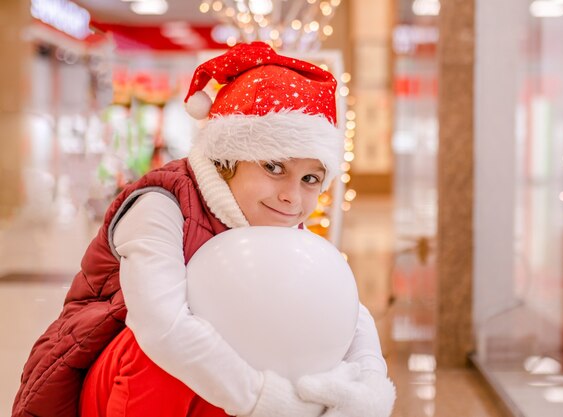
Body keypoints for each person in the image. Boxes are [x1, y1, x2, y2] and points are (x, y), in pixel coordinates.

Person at [13, 42, 395, 417]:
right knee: (171, 352)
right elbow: (161, 328)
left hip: (204, 385)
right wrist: (265, 400)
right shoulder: (160, 204)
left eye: (310, 178)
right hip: (114, 373)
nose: (292, 199)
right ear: (228, 159)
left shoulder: (280, 226)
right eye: (274, 168)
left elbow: (345, 311)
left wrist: (369, 389)